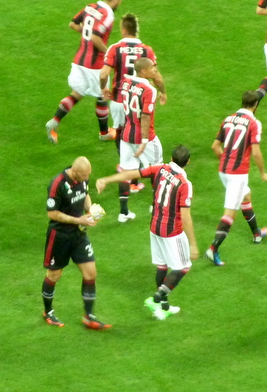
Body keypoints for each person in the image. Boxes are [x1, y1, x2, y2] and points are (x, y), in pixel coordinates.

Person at [96, 145, 198, 320]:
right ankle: (156, 298)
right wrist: (193, 243)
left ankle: (163, 307)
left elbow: (130, 174)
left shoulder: (159, 169)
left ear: (172, 158)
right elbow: (185, 216)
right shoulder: (184, 184)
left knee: (162, 265)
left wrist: (106, 179)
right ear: (188, 162)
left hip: (155, 226)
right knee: (183, 266)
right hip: (172, 231)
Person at [46, 0, 125, 144]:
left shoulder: (90, 7)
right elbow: (95, 37)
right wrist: (109, 53)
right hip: (94, 65)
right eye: (120, 1)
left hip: (79, 60)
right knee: (102, 96)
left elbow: (73, 24)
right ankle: (104, 133)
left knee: (77, 93)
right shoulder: (108, 14)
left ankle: (54, 122)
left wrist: (86, 34)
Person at [42, 157, 111, 330]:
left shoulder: (82, 179)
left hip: (79, 234)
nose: (87, 178)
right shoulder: (57, 184)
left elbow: (85, 193)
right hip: (59, 236)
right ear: (75, 172)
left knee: (90, 273)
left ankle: (89, 316)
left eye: (88, 175)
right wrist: (78, 219)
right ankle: (48, 311)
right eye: (84, 175)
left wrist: (90, 211)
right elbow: (52, 214)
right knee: (54, 275)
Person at [100, 14, 166, 194]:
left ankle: (128, 170)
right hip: (140, 97)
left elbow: (104, 74)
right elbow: (157, 76)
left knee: (122, 131)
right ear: (136, 29)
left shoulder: (115, 48)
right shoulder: (147, 51)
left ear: (123, 30)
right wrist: (163, 91)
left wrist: (103, 88)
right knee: (141, 128)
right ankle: (138, 173)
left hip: (120, 97)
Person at [205, 91, 267, 266]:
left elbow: (215, 146)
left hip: (223, 171)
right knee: (229, 214)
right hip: (237, 174)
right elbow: (256, 152)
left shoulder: (228, 119)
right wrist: (263, 172)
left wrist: (226, 161)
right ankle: (213, 249)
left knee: (246, 197)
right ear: (255, 105)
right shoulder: (254, 123)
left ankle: (256, 233)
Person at [112, 58, 163, 223]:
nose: (155, 70)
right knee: (157, 170)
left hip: (126, 134)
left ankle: (123, 212)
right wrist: (145, 140)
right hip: (145, 137)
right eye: (152, 68)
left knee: (126, 172)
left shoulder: (126, 82)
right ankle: (155, 206)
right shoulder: (149, 90)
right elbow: (146, 116)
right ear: (143, 71)